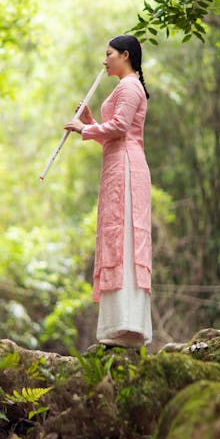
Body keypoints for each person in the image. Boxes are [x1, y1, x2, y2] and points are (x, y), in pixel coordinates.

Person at [64, 35, 152, 348]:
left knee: (125, 237)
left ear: (124, 55)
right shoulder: (125, 86)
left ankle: (129, 324)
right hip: (117, 166)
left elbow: (119, 128)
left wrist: (83, 129)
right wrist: (89, 122)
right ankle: (119, 325)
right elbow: (112, 134)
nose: (105, 60)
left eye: (109, 54)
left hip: (128, 168)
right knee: (116, 237)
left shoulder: (130, 86)